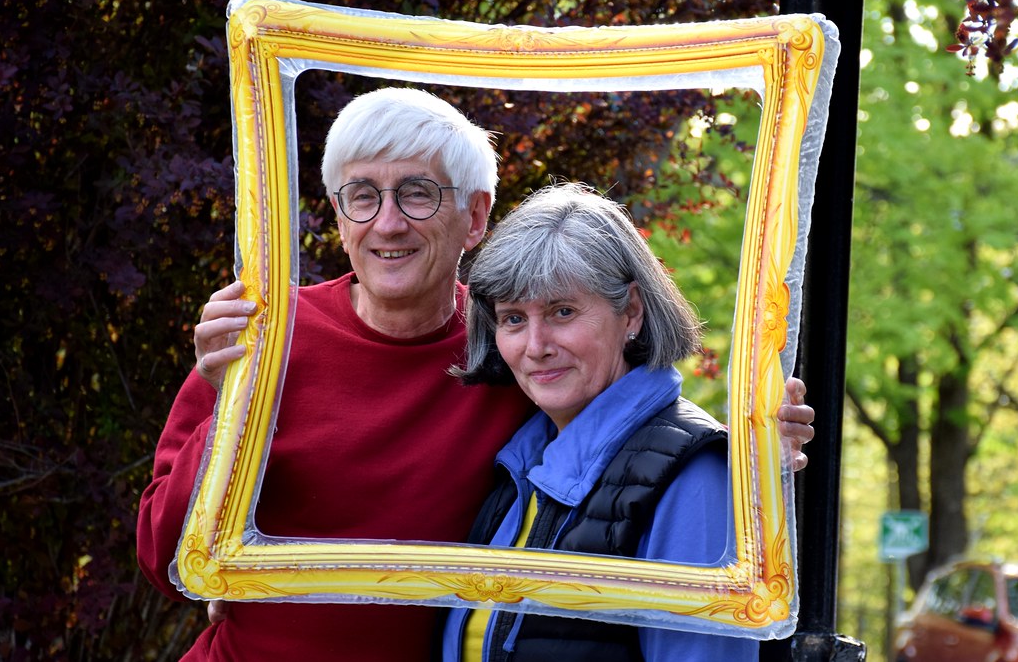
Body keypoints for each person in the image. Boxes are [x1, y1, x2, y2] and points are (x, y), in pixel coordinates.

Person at [137, 88, 815, 662]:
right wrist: (233, 411)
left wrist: (750, 460)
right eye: (361, 196)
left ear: (477, 216)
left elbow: (632, 438)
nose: (388, 222)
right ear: (338, 217)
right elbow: (166, 561)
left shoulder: (508, 353)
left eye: (418, 194)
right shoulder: (260, 340)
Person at [442, 182, 769, 661]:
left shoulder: (694, 474)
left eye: (563, 311)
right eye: (513, 319)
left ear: (631, 312)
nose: (536, 346)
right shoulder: (520, 462)